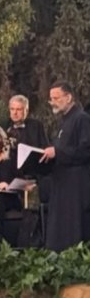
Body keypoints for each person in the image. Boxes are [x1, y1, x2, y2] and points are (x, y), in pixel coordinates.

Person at [39, 81, 90, 252]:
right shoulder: (63, 122)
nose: (52, 102)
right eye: (50, 99)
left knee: (72, 232)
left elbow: (85, 151)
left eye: (56, 98)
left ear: (68, 97)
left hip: (76, 189)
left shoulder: (82, 119)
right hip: (61, 186)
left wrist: (58, 153)